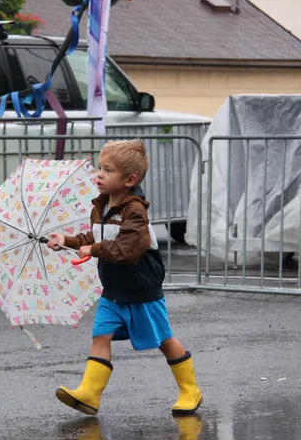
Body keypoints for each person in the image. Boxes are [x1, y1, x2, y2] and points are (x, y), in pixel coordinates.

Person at [48, 140, 202, 416]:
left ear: (130, 180)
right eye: (99, 167)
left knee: (164, 340)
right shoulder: (102, 206)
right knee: (99, 337)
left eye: (108, 170)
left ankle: (190, 389)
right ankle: (90, 394)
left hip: (141, 289)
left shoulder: (135, 211)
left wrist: (93, 249)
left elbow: (127, 250)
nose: (99, 174)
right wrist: (69, 240)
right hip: (113, 291)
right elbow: (96, 238)